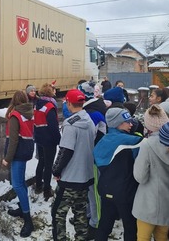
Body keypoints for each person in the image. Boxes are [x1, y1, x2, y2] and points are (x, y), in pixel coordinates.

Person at [51, 89, 95, 241]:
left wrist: (56, 170)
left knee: (57, 213)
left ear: (69, 103)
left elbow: (65, 152)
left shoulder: (70, 125)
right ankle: (82, 237)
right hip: (85, 176)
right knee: (80, 212)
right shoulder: (88, 120)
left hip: (70, 178)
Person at [93, 107, 143, 241]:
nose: (131, 124)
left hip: (105, 189)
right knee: (130, 227)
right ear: (117, 123)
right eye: (127, 122)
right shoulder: (133, 142)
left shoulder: (101, 141)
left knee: (104, 224)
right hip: (126, 193)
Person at [132, 105, 169, 241]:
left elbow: (140, 176)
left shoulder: (147, 145)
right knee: (162, 236)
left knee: (143, 237)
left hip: (148, 202)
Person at [2, 90, 35, 237]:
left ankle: (28, 219)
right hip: (26, 149)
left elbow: (13, 140)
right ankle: (22, 208)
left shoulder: (15, 116)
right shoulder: (28, 111)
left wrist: (7, 158)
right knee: (21, 183)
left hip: (18, 153)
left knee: (17, 185)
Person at [78, 81, 108, 239]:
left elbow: (91, 139)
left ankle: (95, 225)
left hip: (95, 159)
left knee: (94, 192)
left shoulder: (92, 114)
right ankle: (90, 217)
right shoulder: (95, 109)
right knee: (89, 191)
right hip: (91, 157)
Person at [34, 82, 61, 200]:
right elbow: (53, 126)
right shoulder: (50, 107)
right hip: (49, 140)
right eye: (54, 89)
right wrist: (58, 139)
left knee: (41, 162)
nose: (55, 91)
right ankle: (47, 190)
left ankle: (38, 185)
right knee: (48, 165)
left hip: (39, 138)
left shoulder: (37, 104)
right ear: (50, 92)